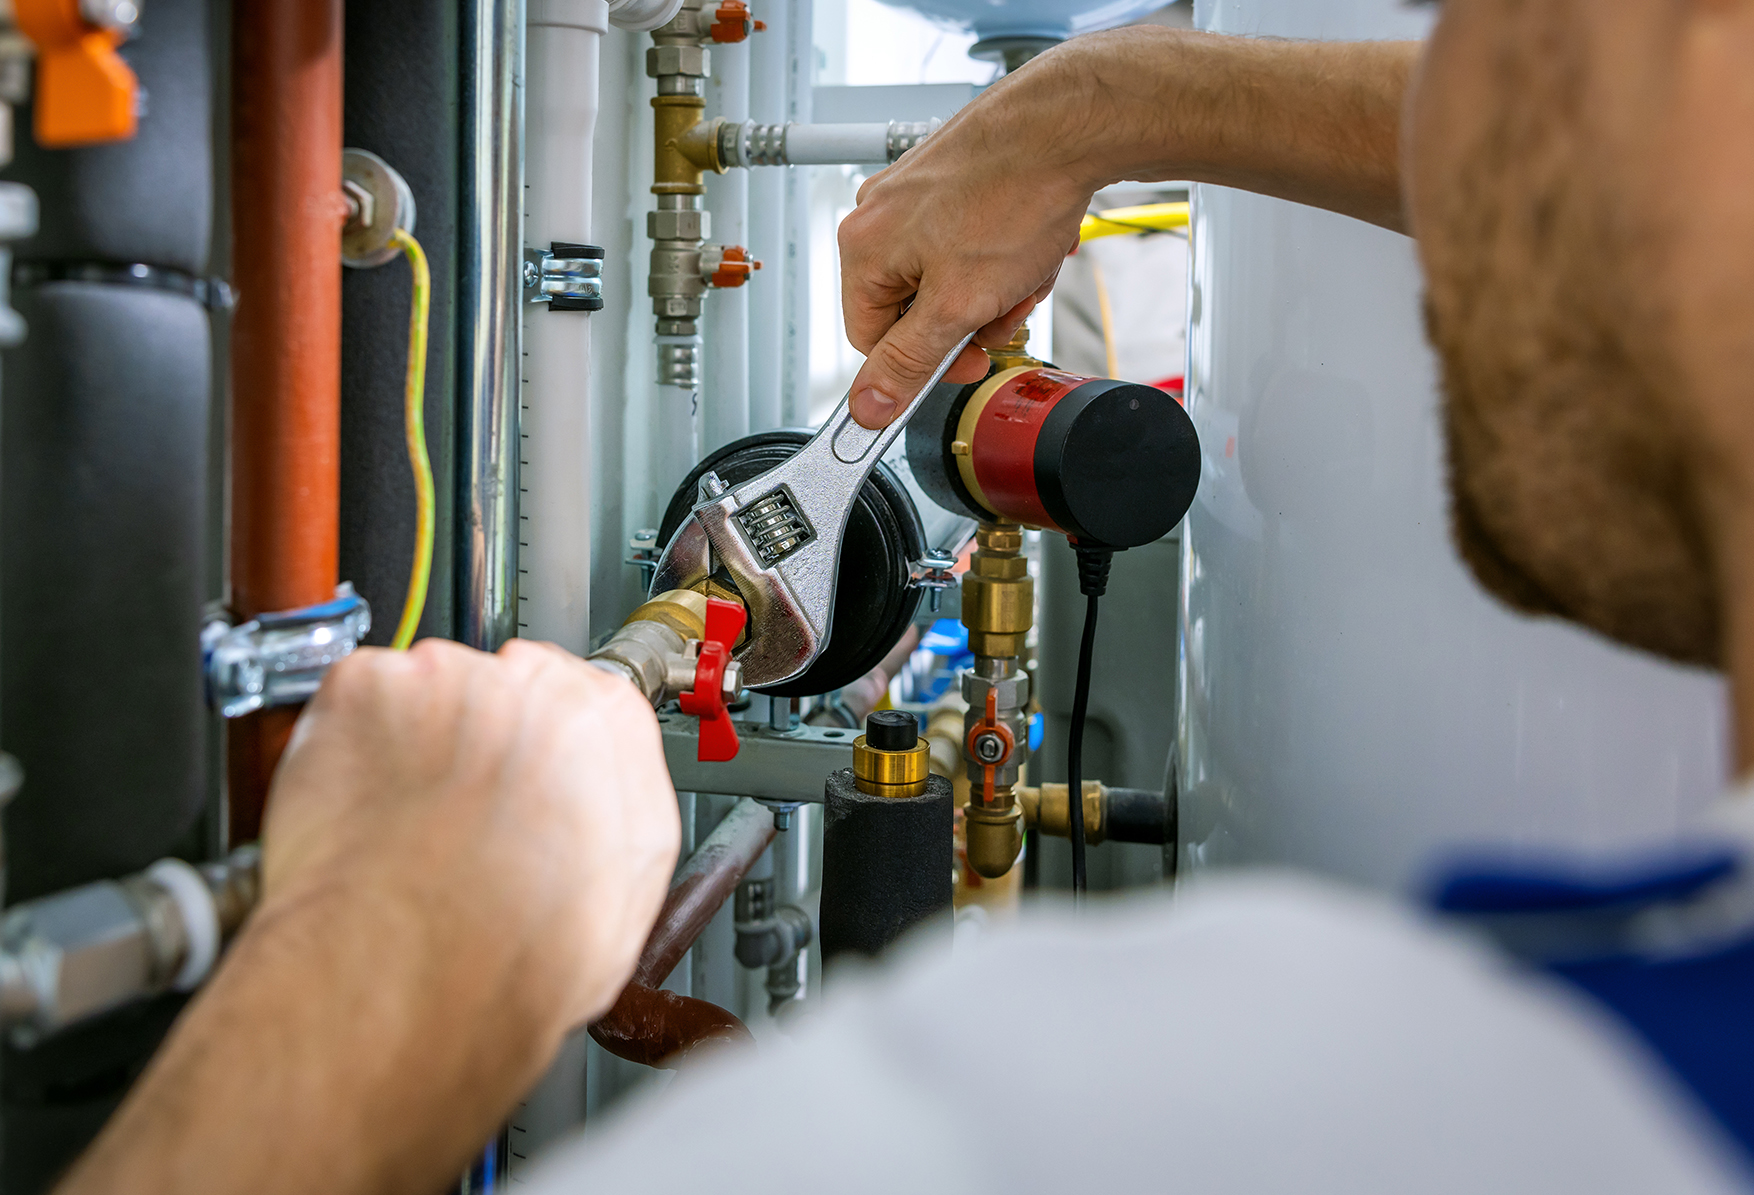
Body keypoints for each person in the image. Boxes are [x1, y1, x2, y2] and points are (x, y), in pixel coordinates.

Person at [50, 2, 1754, 1191]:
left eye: (1517, 23)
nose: (1464, 91)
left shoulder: (1193, 1121)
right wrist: (1107, 101)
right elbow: (1602, 163)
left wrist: (384, 962)